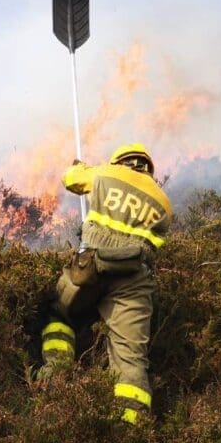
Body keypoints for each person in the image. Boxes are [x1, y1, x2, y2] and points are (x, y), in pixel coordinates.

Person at [39, 143, 172, 425]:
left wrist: (81, 168)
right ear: (147, 167)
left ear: (120, 162)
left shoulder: (105, 173)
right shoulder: (163, 202)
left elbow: (71, 179)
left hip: (90, 268)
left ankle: (55, 374)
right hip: (133, 282)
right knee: (131, 357)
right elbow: (156, 241)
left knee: (60, 314)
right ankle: (129, 431)